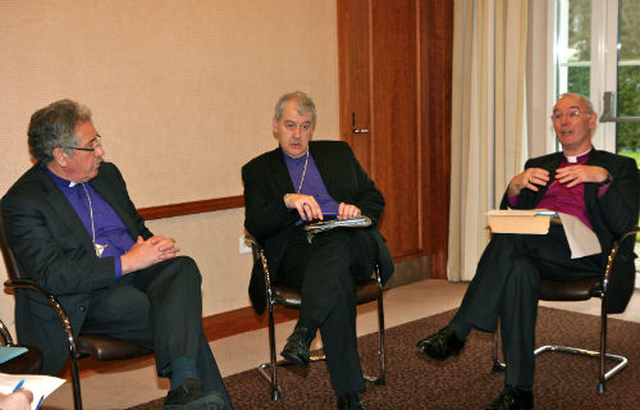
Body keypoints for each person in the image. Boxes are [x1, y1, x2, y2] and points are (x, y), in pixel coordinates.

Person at [1, 99, 233, 410]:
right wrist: (127, 262)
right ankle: (187, 386)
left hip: (139, 273)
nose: (100, 151)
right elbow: (52, 275)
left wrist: (153, 247)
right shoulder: (23, 202)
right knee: (174, 317)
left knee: (182, 269)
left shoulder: (107, 175)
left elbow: (136, 228)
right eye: (90, 145)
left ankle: (184, 389)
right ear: (61, 155)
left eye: (98, 140)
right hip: (86, 297)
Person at [416, 92, 640, 409]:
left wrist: (602, 180)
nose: (564, 121)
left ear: (590, 120)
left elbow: (625, 223)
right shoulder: (539, 166)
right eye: (557, 115)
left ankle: (458, 330)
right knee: (518, 266)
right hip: (537, 248)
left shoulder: (619, 166)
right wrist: (514, 188)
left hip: (587, 253)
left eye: (573, 113)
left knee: (515, 239)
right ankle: (519, 390)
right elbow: (511, 214)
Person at [242, 91, 394, 410]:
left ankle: (304, 331)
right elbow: (256, 225)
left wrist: (355, 210)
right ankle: (348, 395)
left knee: (337, 244)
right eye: (290, 125)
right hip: (299, 253)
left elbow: (374, 199)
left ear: (313, 128)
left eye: (305, 126)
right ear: (275, 125)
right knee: (333, 278)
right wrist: (287, 201)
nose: (297, 135)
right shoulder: (258, 169)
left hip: (352, 244)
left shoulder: (338, 153)